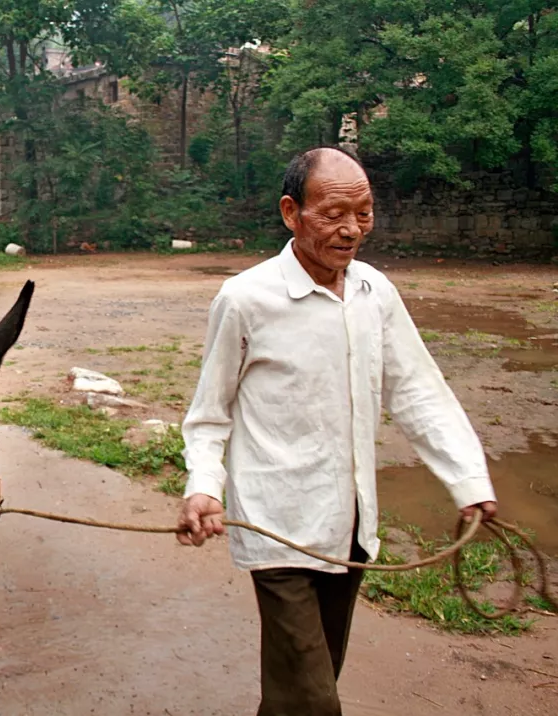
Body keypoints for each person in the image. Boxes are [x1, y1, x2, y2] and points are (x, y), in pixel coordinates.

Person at [176, 147, 498, 715]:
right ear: (290, 213)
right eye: (333, 214)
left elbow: (418, 391)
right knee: (315, 700)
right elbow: (210, 411)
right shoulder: (246, 299)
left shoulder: (375, 294)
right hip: (277, 525)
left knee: (302, 686)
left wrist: (468, 479)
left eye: (365, 213)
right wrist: (203, 486)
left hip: (350, 527)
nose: (352, 230)